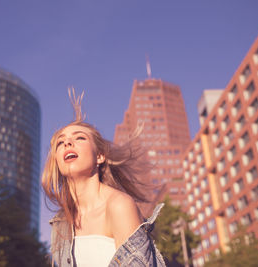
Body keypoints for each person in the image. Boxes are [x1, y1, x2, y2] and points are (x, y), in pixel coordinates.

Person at [42, 89, 166, 267]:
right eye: (61, 142)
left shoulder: (118, 205)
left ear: (99, 156)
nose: (67, 143)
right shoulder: (62, 222)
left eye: (79, 138)